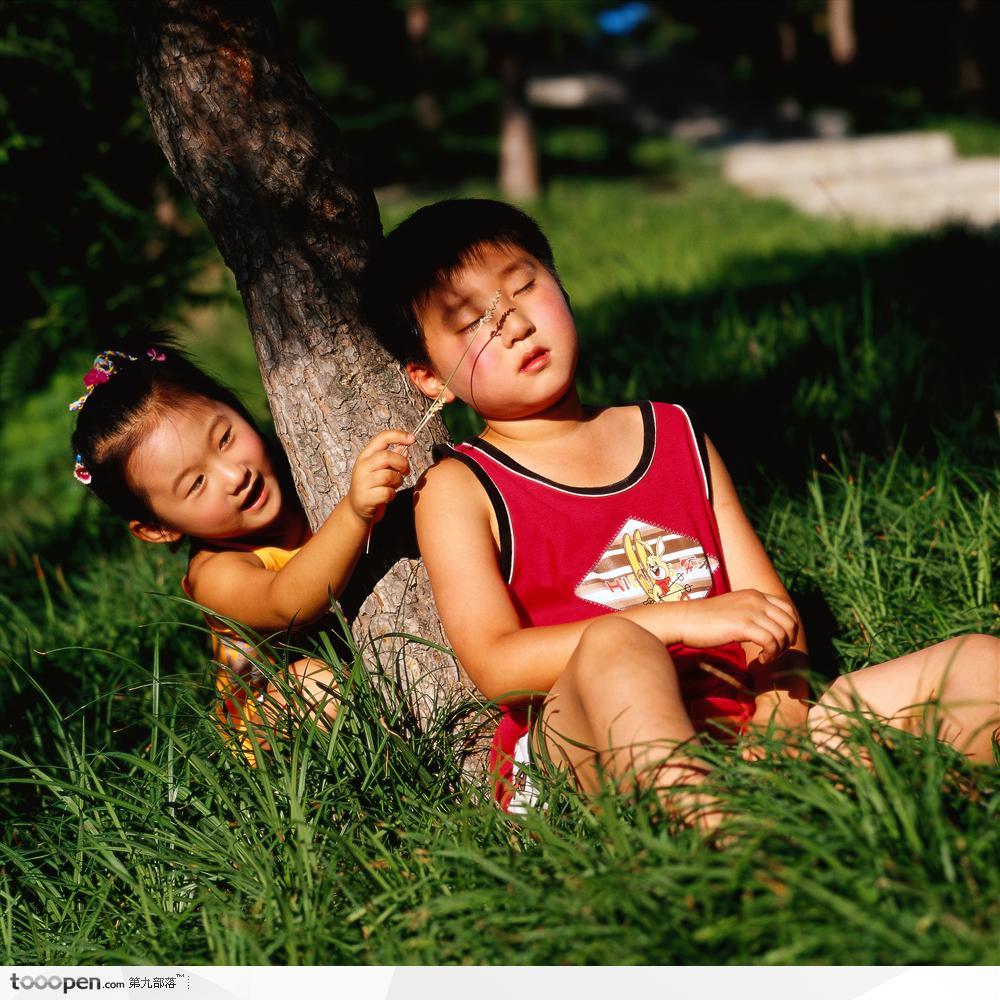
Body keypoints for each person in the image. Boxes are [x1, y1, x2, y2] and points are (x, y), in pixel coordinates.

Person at [363, 198, 999, 826]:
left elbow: (772, 617)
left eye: (524, 287)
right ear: (430, 379)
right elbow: (499, 667)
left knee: (977, 665)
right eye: (472, 322)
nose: (514, 325)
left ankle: (883, 815)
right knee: (616, 642)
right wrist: (680, 621)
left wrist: (779, 720)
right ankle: (739, 854)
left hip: (739, 724)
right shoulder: (462, 487)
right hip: (585, 753)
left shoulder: (675, 433)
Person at [69, 335, 413, 763]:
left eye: (225, 438)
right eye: (195, 484)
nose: (234, 475)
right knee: (315, 681)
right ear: (157, 529)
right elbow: (292, 601)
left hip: (357, 671)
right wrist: (354, 514)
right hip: (271, 727)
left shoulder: (302, 467)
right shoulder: (215, 574)